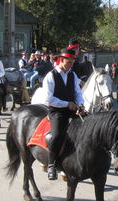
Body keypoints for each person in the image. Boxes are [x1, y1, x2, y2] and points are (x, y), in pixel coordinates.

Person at [37, 48, 85, 180]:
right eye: (68, 62)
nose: (71, 65)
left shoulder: (72, 75)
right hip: (56, 110)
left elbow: (78, 92)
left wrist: (80, 105)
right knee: (57, 135)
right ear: (61, 60)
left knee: (88, 127)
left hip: (72, 108)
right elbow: (48, 99)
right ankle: (52, 165)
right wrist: (67, 104)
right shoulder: (51, 76)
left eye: (72, 62)